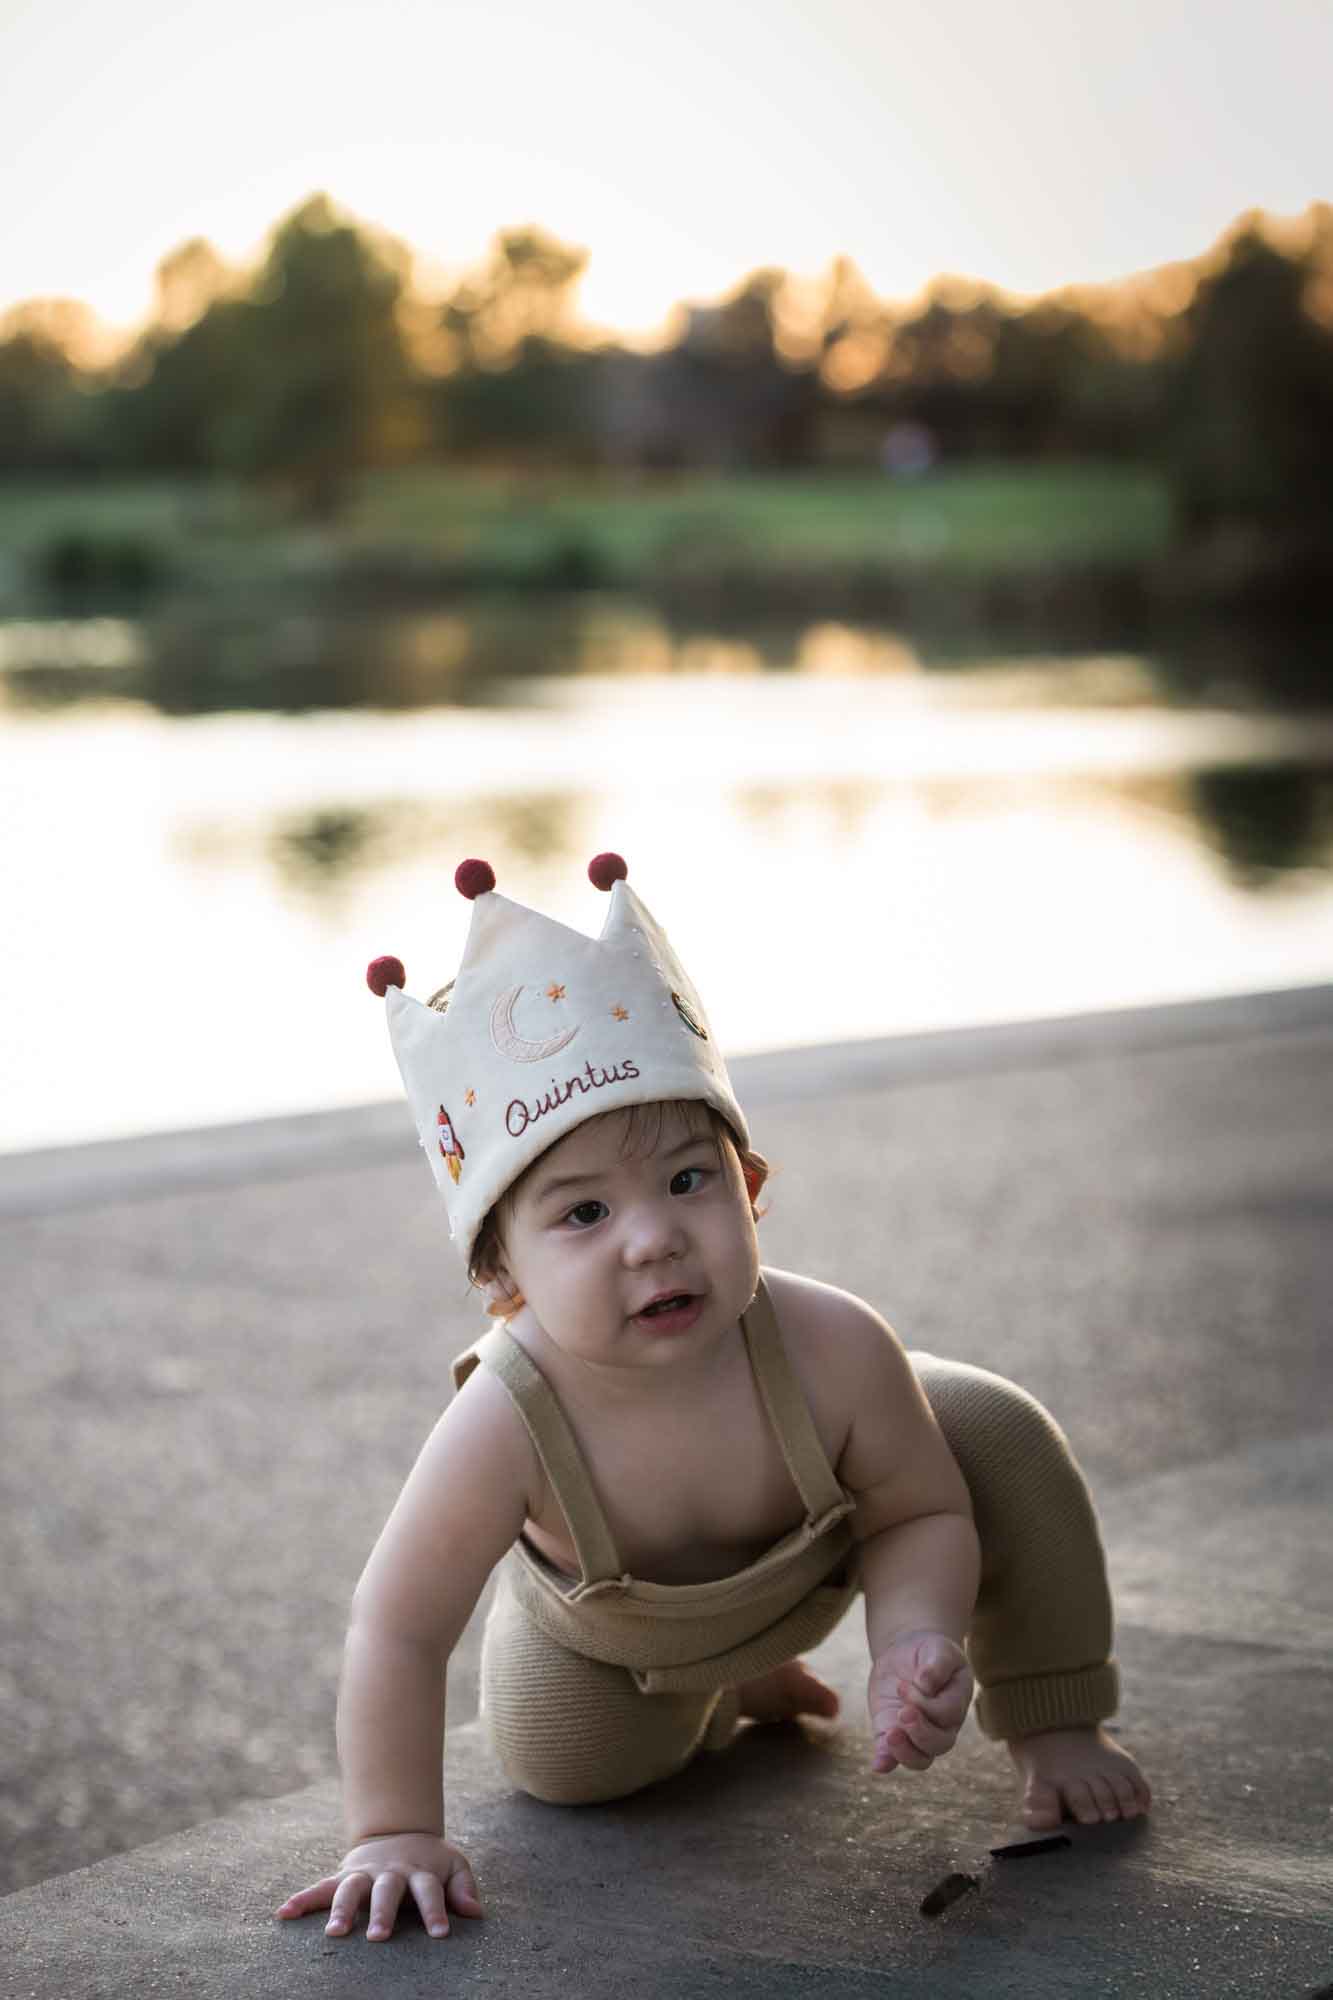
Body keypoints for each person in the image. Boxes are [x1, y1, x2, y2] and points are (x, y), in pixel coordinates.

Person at [278, 853, 1150, 1946]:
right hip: (618, 1629)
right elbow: (397, 1625)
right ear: (503, 1279)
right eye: (584, 1211)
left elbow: (919, 1511)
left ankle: (1059, 1723)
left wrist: (912, 1638)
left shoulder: (832, 1343)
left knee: (991, 1429)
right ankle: (726, 1690)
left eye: (689, 1179)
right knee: (571, 1765)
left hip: (818, 1548)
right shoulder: (506, 1417)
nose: (653, 1235)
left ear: (748, 1186)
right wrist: (392, 1828)